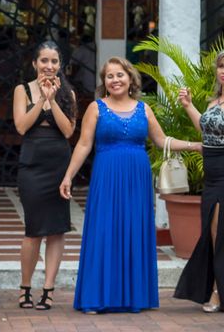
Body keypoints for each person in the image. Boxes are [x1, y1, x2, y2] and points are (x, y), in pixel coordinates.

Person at [59, 57, 200, 313]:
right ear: (104, 82)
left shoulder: (143, 109)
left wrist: (196, 146)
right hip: (107, 176)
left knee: (134, 229)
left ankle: (136, 296)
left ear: (130, 78)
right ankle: (97, 297)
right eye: (110, 76)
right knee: (105, 230)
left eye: (120, 75)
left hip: (137, 178)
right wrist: (68, 175)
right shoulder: (96, 108)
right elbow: (83, 144)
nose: (115, 80)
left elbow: (161, 140)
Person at [13, 41, 77, 311]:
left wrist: (53, 100)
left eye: (53, 61)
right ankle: (25, 287)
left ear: (60, 65)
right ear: (34, 63)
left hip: (58, 164)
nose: (49, 66)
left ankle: (48, 289)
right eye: (44, 61)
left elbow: (67, 131)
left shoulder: (68, 94)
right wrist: (41, 98)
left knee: (56, 230)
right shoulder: (22, 90)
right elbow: (21, 126)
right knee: (33, 230)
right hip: (32, 165)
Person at [174, 51, 224, 312]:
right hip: (212, 173)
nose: (223, 70)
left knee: (219, 232)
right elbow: (205, 131)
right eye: (221, 66)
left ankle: (216, 291)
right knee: (212, 232)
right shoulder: (214, 102)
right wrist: (188, 106)